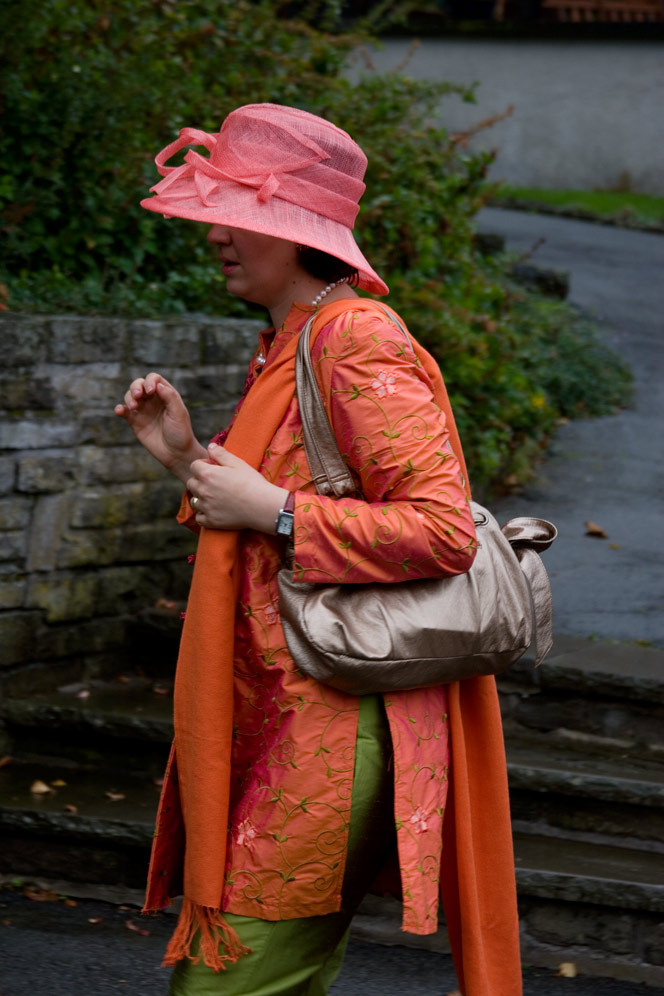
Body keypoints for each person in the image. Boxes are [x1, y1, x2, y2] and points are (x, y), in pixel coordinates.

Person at [115, 103, 521, 996]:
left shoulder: (356, 340)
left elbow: (443, 529)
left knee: (226, 985)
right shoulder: (295, 342)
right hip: (286, 709)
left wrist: (274, 508)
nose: (218, 237)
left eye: (240, 218)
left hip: (337, 725)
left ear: (298, 235)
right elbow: (267, 522)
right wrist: (188, 459)